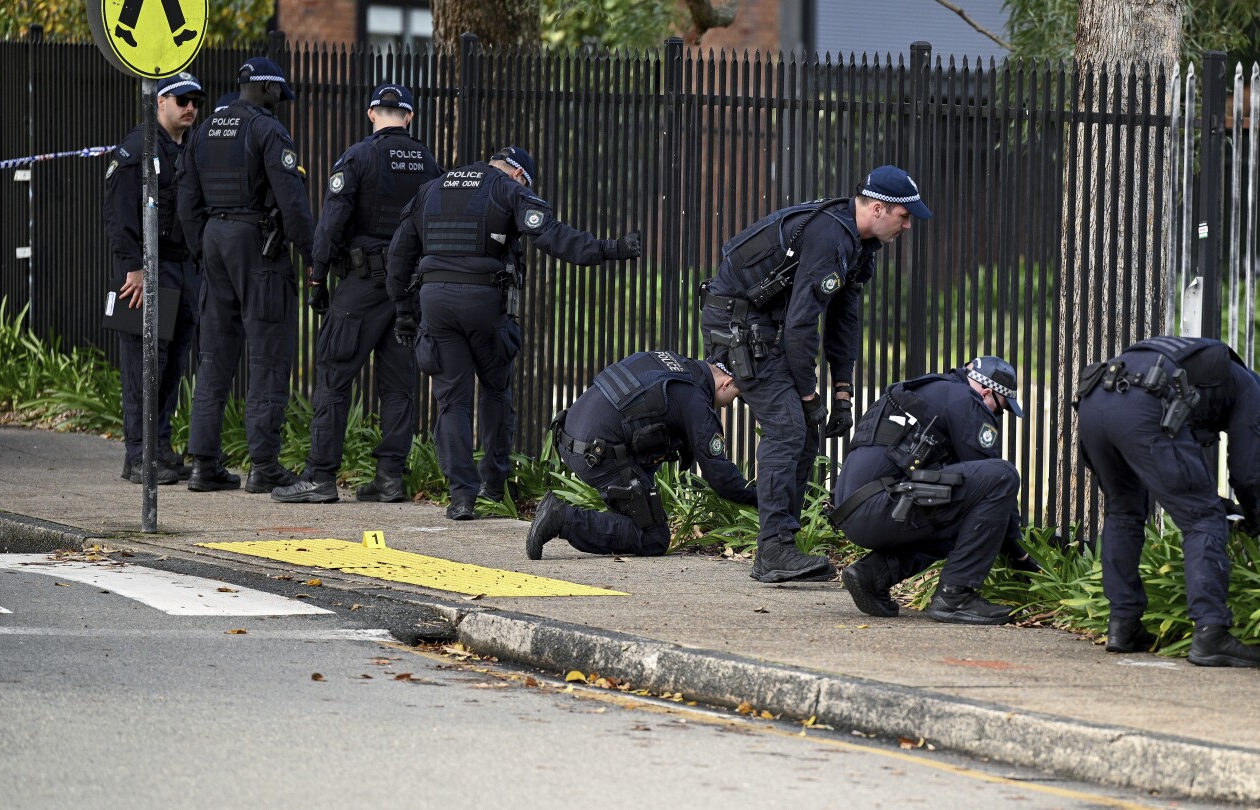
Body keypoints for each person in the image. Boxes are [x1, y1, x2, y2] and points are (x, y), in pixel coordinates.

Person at [700, 166, 930, 583]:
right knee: (789, 426)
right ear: (878, 208)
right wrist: (808, 394)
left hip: (766, 325)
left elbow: (844, 318)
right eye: (905, 215)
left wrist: (842, 390)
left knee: (806, 428)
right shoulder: (831, 237)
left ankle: (783, 546)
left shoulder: (859, 245)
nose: (909, 224)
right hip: (737, 324)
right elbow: (804, 325)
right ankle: (772, 550)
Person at [386, 146, 642, 519]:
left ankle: (461, 497)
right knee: (494, 391)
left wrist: (404, 313)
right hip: (485, 302)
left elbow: (399, 254)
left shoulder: (433, 187)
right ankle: (494, 484)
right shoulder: (508, 190)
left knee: (452, 402)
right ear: (520, 175)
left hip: (436, 303)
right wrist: (610, 249)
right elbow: (551, 236)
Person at [271, 84, 443, 504]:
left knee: (333, 375)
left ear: (371, 114)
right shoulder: (429, 163)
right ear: (409, 117)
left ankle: (321, 476)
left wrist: (318, 278)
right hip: (409, 288)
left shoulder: (359, 156)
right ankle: (389, 478)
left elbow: (332, 221)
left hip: (362, 284)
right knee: (398, 386)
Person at [1076, 335, 1260, 668]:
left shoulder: (1194, 367)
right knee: (1204, 519)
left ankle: (1123, 627)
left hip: (1094, 402)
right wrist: (1253, 515)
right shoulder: (1251, 392)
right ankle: (1211, 634)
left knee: (1123, 510)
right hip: (1143, 404)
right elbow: (1247, 471)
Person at [176, 57, 315, 493]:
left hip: (215, 240)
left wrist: (203, 246)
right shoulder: (266, 130)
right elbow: (292, 203)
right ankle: (264, 465)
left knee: (214, 357)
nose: (281, 104)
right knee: (268, 354)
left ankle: (203, 465)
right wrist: (314, 255)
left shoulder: (202, 132)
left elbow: (186, 200)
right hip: (257, 245)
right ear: (268, 90)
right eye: (280, 96)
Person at [830, 357, 1027, 623]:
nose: (995, 416)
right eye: (999, 409)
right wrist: (1020, 554)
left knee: (961, 512)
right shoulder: (966, 401)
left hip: (854, 510)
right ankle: (955, 597)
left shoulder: (926, 390)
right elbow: (993, 483)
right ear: (988, 392)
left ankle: (872, 575)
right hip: (884, 506)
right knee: (1003, 474)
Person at [525, 352, 757, 559]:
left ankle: (603, 518)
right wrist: (762, 498)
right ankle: (561, 518)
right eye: (735, 397)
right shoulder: (694, 400)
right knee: (654, 537)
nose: (728, 405)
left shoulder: (671, 362)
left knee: (645, 493)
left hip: (569, 435)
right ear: (726, 384)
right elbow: (722, 478)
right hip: (597, 455)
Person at [101, 72, 205, 486]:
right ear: (160, 102)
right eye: (181, 100)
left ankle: (159, 445)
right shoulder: (136, 150)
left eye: (195, 100)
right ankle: (138, 454)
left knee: (174, 363)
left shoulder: (190, 150)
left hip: (183, 269)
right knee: (145, 364)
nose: (190, 108)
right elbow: (119, 216)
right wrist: (134, 268)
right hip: (149, 269)